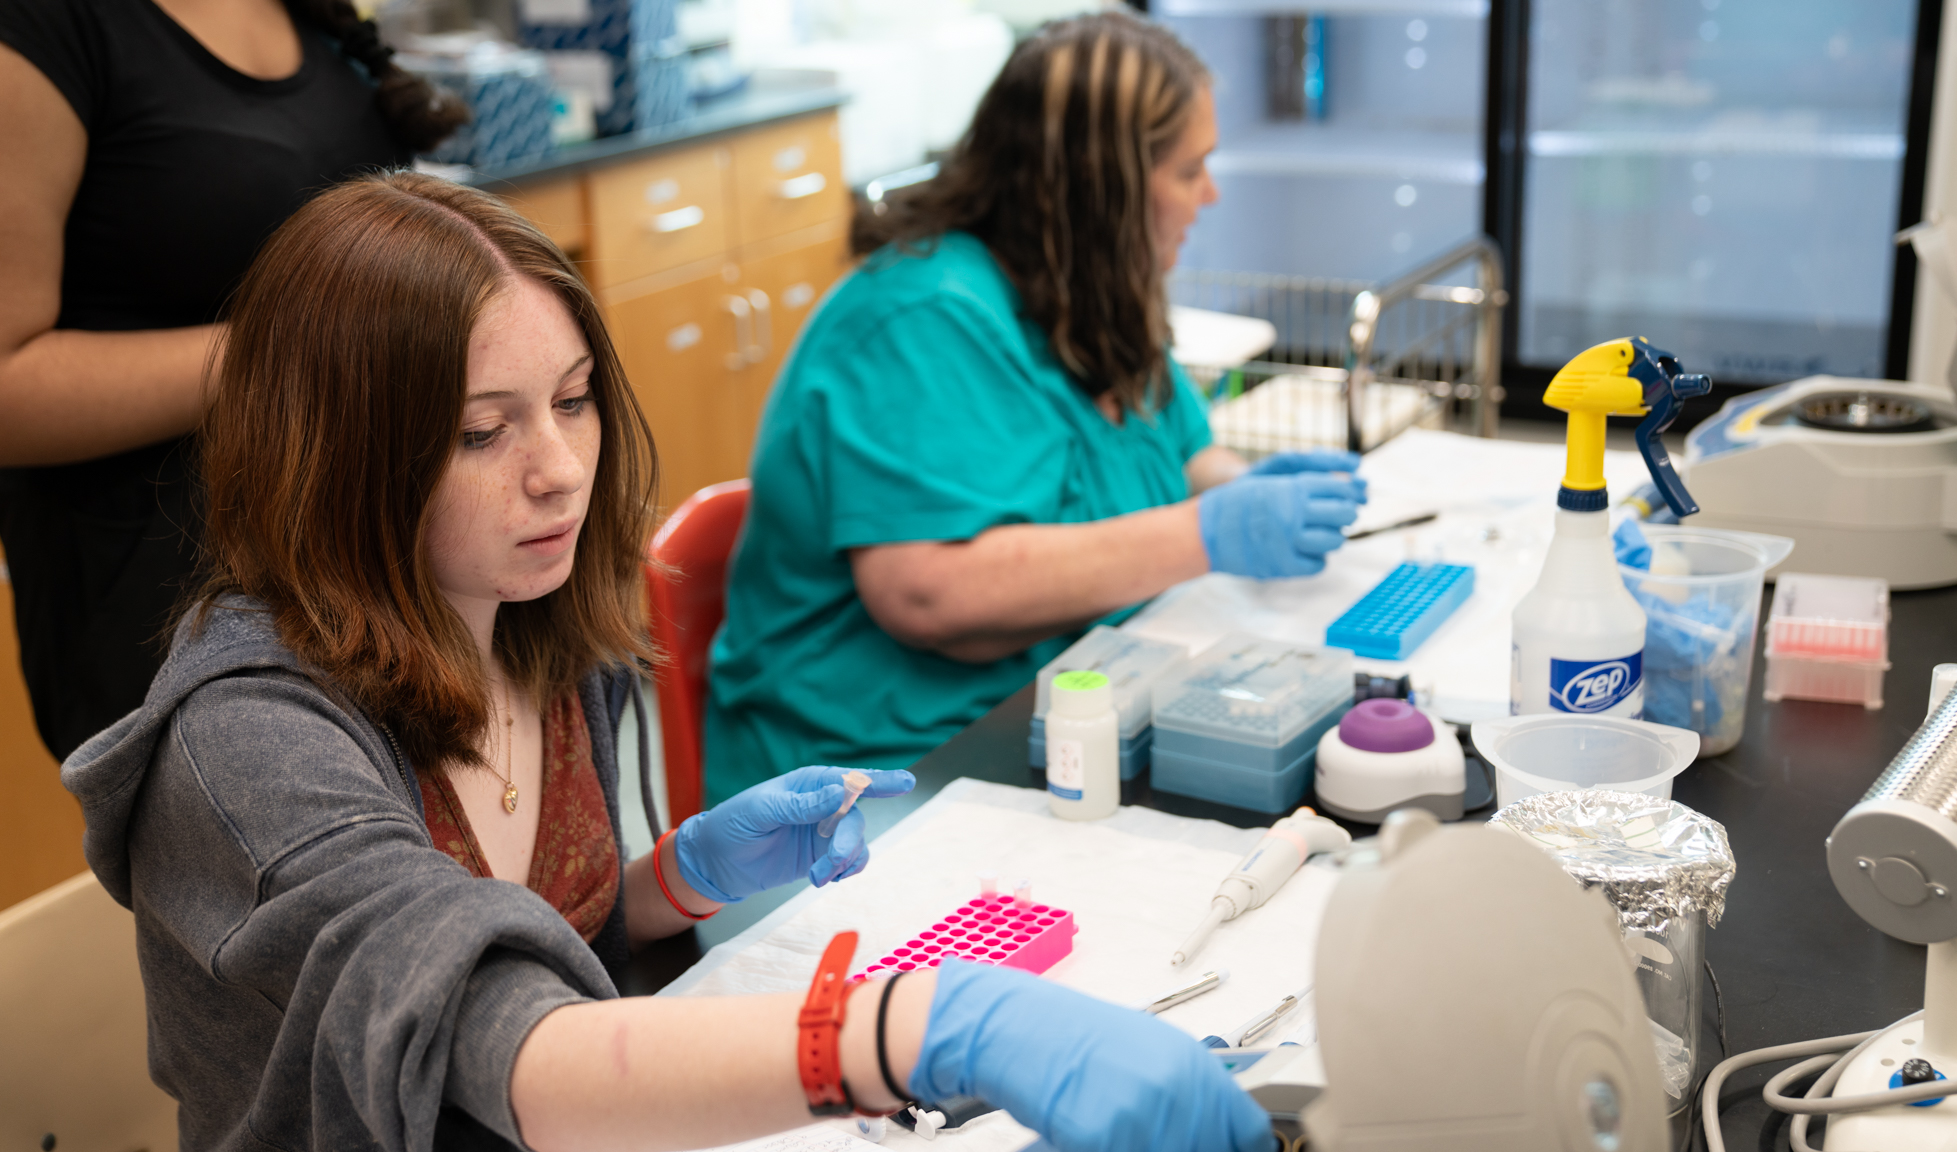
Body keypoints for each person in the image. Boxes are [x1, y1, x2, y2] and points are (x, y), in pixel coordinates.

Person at [63, 172, 1274, 1152]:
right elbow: (502, 1044)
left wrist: (671, 882)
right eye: (482, 430)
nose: (558, 470)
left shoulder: (519, 617)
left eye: (574, 401)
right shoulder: (250, 743)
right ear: (334, 454)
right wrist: (918, 1029)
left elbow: (539, 934)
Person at [704, 12, 1367, 804]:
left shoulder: (1093, 290)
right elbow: (929, 595)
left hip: (1070, 717)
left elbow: (1183, 454)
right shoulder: (920, 319)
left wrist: (1248, 491)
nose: (1210, 194)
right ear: (1108, 189)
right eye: (1191, 170)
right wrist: (1211, 531)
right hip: (888, 780)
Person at [0, 0, 466, 760]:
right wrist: (297, 344)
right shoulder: (47, 28)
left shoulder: (303, 15)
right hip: (169, 589)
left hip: (357, 559)